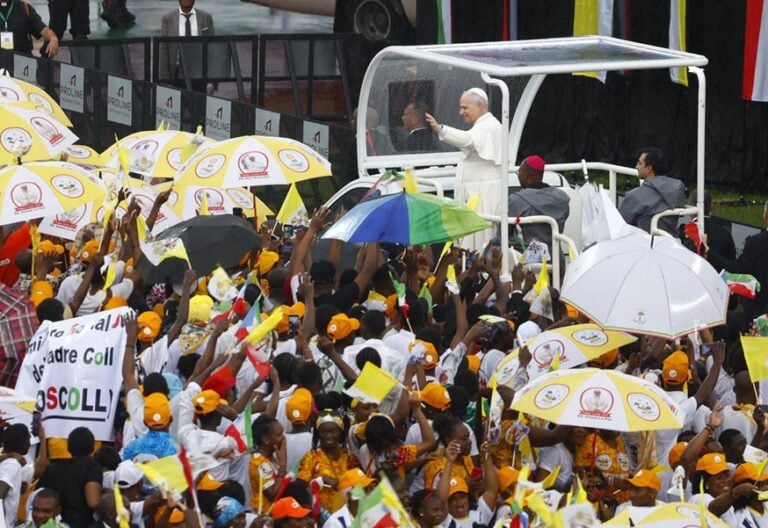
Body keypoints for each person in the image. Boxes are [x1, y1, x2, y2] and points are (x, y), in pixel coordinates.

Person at [426, 87, 502, 250]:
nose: (461, 112)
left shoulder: (487, 126)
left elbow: (468, 140)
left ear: (479, 106)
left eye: (465, 107)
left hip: (482, 193)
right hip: (478, 191)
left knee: (479, 239)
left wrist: (441, 130)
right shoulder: (483, 125)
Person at [707, 200, 768, 320]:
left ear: (765, 217)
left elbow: (735, 270)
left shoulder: (756, 243)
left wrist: (708, 251)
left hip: (759, 318)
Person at [508, 154, 570, 258]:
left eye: (519, 172)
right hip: (554, 258)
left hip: (524, 261)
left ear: (525, 175)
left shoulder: (516, 200)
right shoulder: (562, 198)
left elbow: (503, 233)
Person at [619, 148, 685, 235]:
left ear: (649, 168)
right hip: (670, 241)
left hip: (641, 244)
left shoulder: (635, 196)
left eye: (639, 163)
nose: (636, 167)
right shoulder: (678, 189)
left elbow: (619, 225)